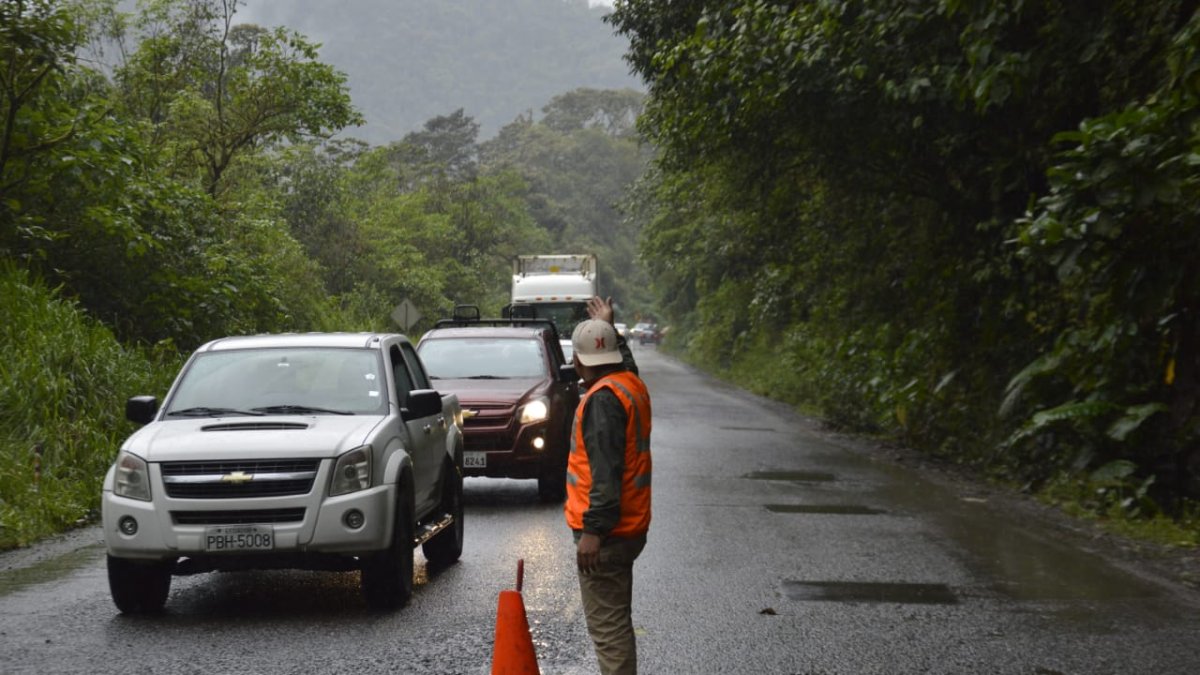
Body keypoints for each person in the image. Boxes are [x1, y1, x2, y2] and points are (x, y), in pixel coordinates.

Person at [565, 296, 652, 675]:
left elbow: (605, 473)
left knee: (609, 631)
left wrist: (593, 532)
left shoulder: (602, 402)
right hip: (630, 526)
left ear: (579, 360)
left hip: (609, 533)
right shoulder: (628, 384)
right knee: (617, 620)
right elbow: (623, 361)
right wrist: (611, 329)